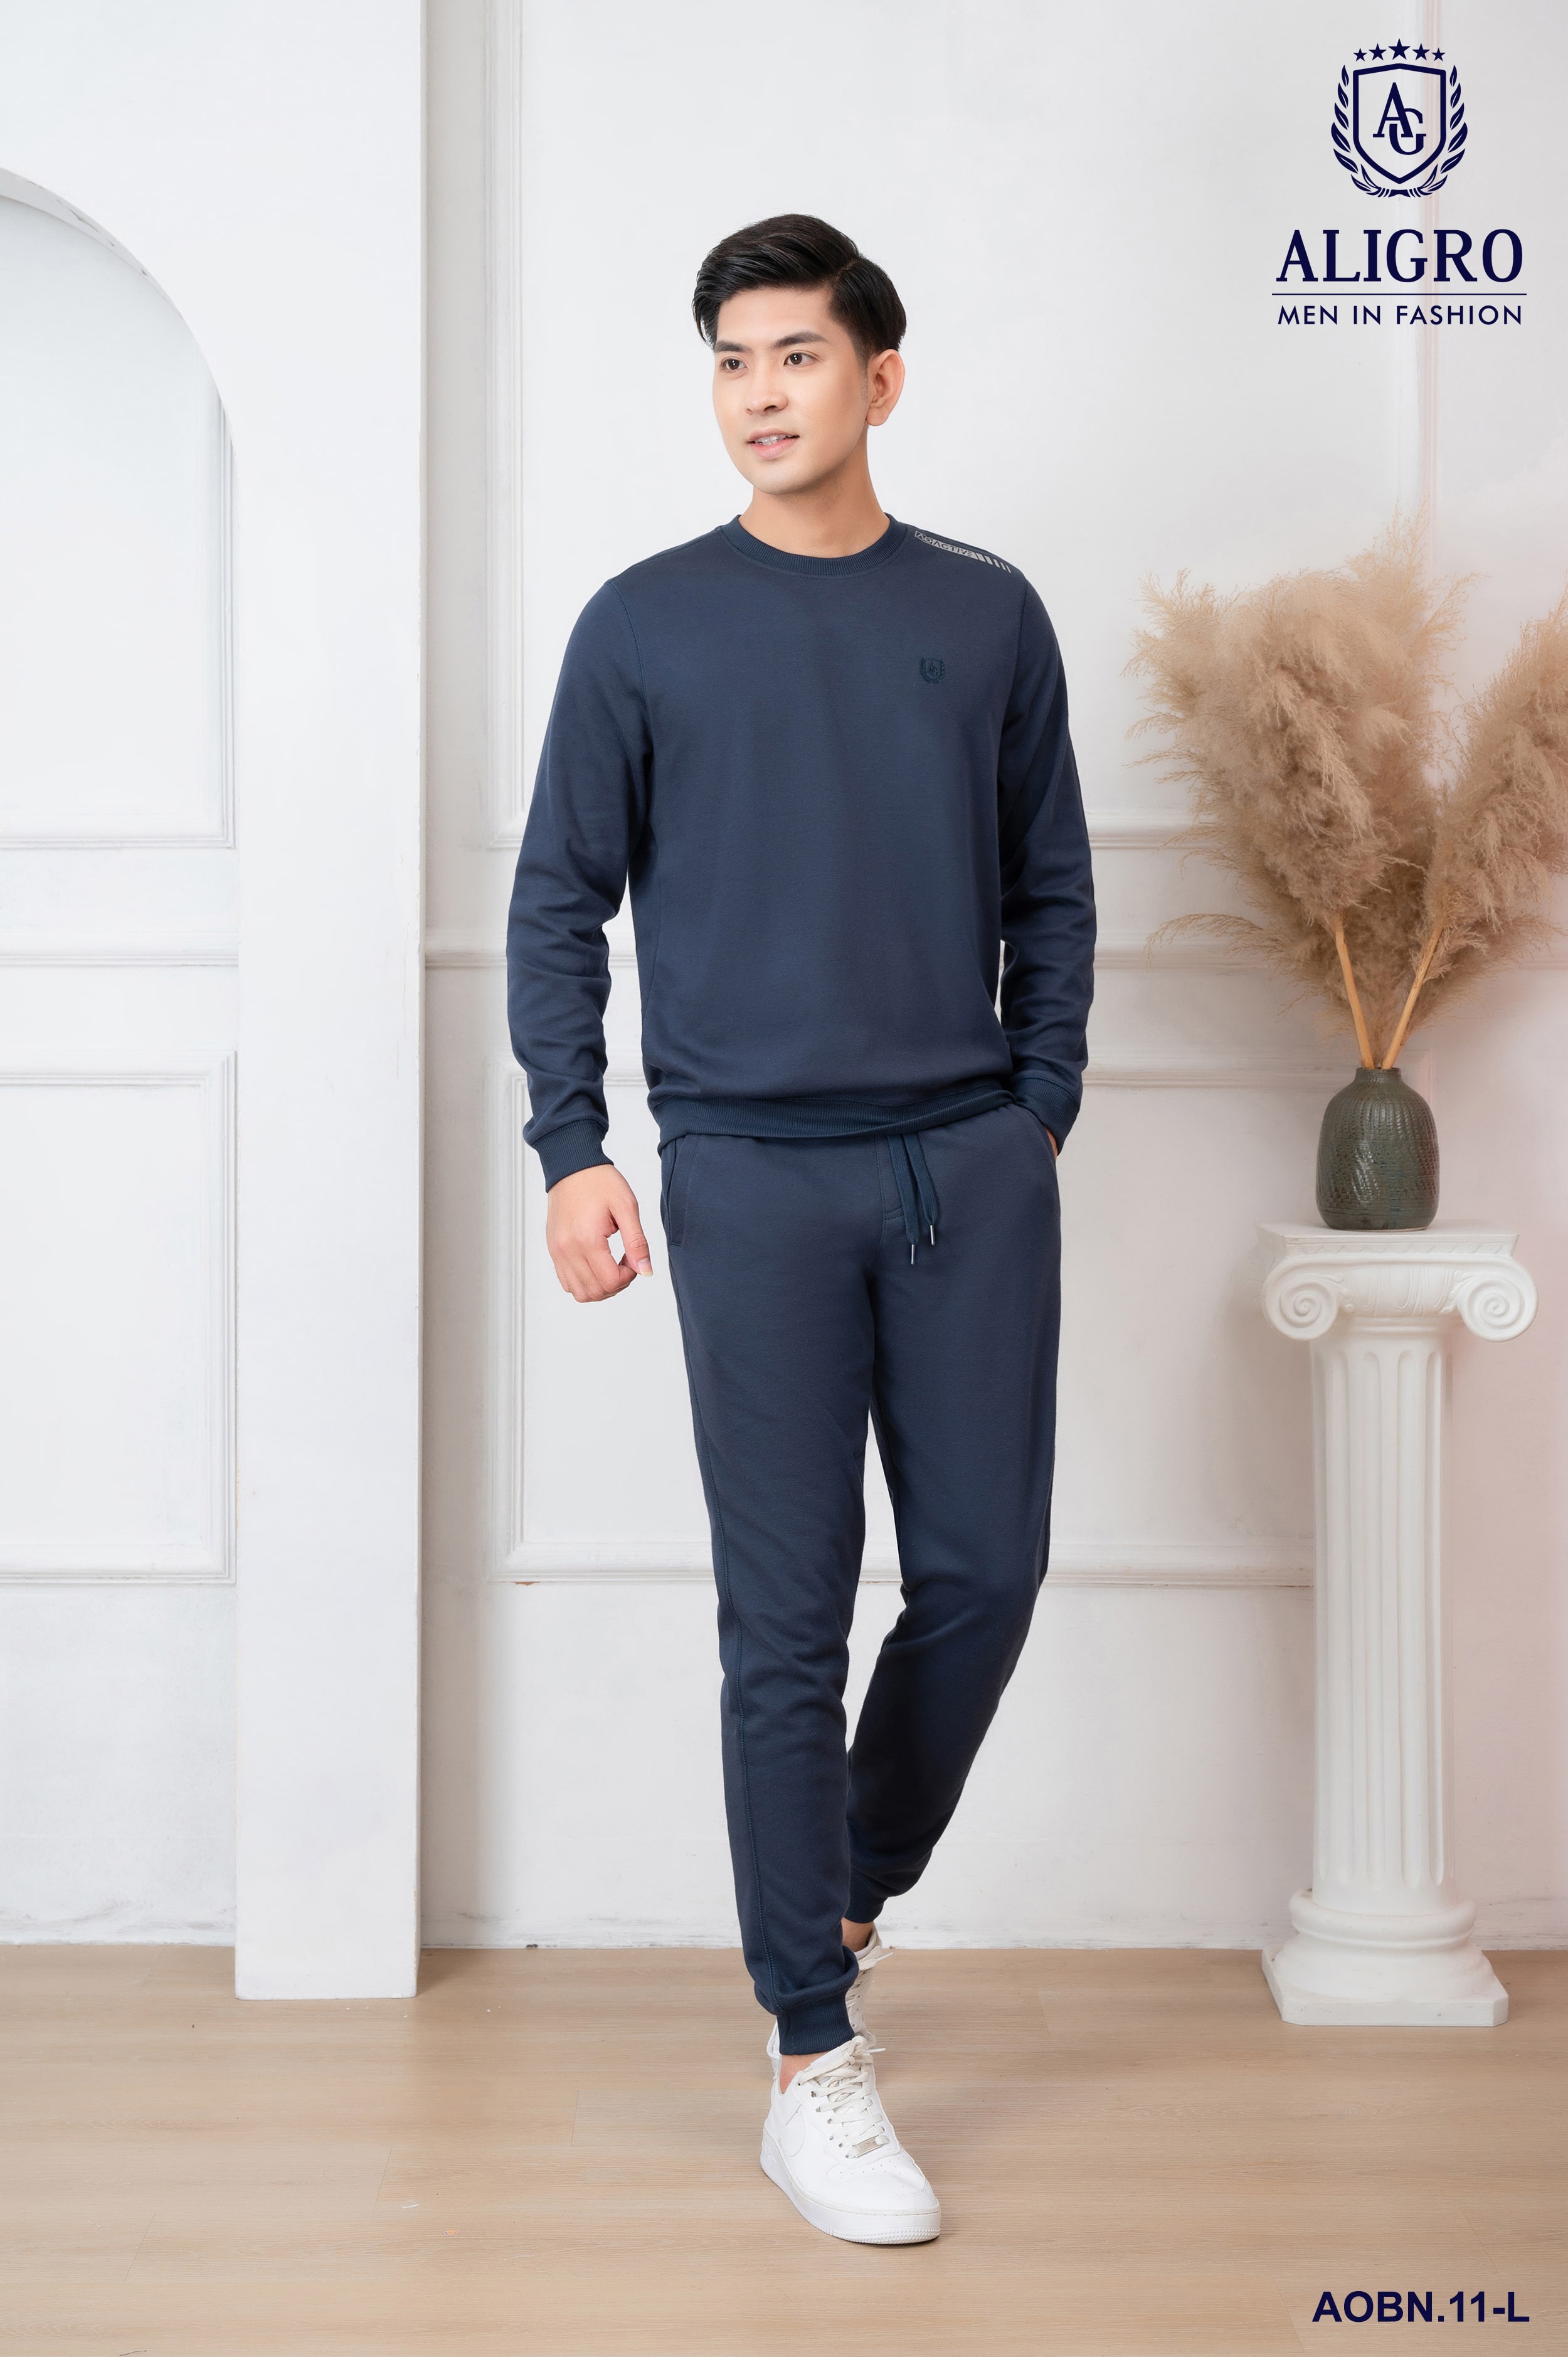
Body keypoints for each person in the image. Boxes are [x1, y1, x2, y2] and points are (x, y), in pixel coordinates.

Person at [506, 213, 1095, 2245]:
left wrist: (1032, 1114)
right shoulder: (643, 625)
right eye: (730, 360)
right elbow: (555, 900)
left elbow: (1052, 888)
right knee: (784, 1620)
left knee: (987, 1573)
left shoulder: (985, 614)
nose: (758, 393)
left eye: (796, 355)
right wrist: (571, 1144)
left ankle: (838, 1881)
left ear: (879, 378)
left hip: (964, 1172)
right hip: (748, 1178)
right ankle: (809, 2055)